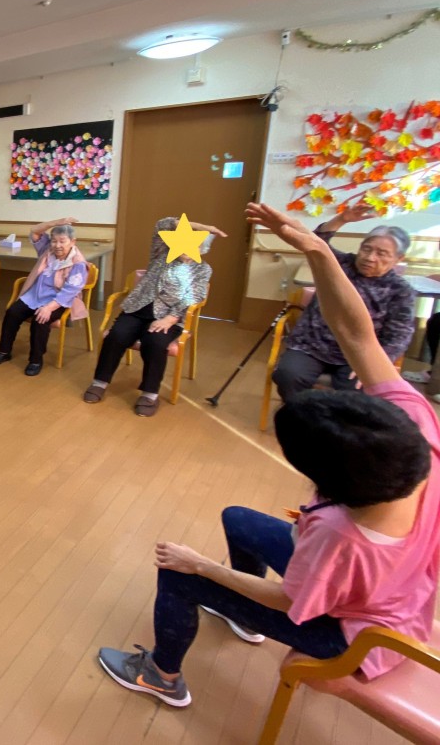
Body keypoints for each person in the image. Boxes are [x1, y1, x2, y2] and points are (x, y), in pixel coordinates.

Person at [97, 202, 440, 710]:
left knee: (179, 572)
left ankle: (161, 674)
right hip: (394, 593)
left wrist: (202, 566)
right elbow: (357, 334)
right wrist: (318, 248)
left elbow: (292, 600)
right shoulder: (418, 428)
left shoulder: (341, 534)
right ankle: (239, 615)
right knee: (239, 519)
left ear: (328, 483)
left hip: (351, 635)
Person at [272, 204, 415, 400]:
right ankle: (301, 412)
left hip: (359, 354)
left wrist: (377, 365)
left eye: (381, 254)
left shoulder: (400, 290)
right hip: (311, 345)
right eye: (366, 249)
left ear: (399, 258)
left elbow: (399, 336)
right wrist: (341, 219)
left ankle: (335, 418)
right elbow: (315, 243)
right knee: (287, 375)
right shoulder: (341, 264)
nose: (370, 258)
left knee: (360, 390)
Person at [84, 216, 223, 416]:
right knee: (117, 336)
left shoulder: (202, 269)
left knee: (155, 343)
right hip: (137, 309)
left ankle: (150, 394)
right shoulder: (162, 253)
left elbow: (194, 296)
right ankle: (100, 382)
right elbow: (161, 224)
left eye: (196, 243)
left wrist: (170, 318)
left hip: (169, 316)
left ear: (202, 248)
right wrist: (204, 226)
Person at [0, 218, 87, 375]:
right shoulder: (47, 250)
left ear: (72, 241)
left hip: (58, 301)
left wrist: (49, 308)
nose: (57, 245)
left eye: (62, 241)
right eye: (54, 241)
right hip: (34, 296)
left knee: (40, 320)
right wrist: (57, 222)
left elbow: (69, 291)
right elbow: (34, 231)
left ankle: (35, 360)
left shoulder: (78, 264)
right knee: (12, 312)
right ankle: (4, 351)